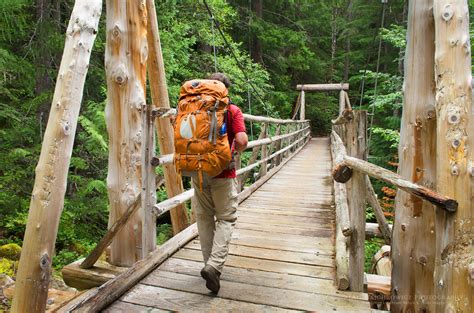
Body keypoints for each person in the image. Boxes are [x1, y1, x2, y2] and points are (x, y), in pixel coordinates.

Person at [192, 72, 248, 294]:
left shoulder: (195, 108)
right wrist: (235, 149)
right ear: (226, 90)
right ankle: (214, 266)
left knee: (204, 218)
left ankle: (209, 263)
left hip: (198, 172)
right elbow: (242, 140)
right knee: (226, 218)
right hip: (223, 174)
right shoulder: (232, 110)